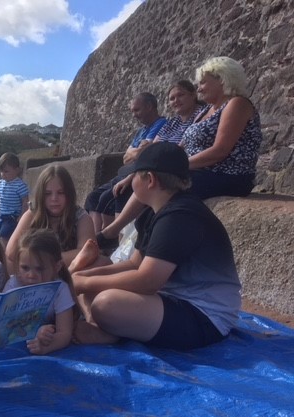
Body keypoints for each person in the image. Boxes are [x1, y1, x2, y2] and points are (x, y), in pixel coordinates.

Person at [73, 142, 241, 350]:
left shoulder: (180, 216)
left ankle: (109, 332)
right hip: (168, 297)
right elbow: (135, 263)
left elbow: (147, 281)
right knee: (92, 274)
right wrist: (83, 277)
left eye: (134, 175)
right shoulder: (153, 213)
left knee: (106, 303)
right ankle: (97, 326)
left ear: (150, 180)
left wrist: (83, 283)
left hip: (205, 315)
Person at [97, 80, 207, 248]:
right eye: (172, 98)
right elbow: (151, 152)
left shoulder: (199, 116)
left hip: (172, 169)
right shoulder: (173, 122)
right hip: (156, 167)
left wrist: (142, 161)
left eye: (181, 95)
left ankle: (117, 240)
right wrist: (131, 176)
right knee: (119, 191)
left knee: (132, 190)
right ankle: (115, 243)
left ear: (193, 95)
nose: (176, 100)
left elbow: (163, 152)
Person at [84, 92, 167, 235]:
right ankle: (94, 240)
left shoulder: (161, 124)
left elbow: (143, 153)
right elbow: (127, 156)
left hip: (137, 173)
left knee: (107, 199)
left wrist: (135, 152)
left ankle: (103, 242)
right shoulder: (141, 131)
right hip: (126, 172)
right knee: (92, 198)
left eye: (137, 110)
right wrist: (136, 152)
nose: (134, 115)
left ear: (149, 107)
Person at [181, 56, 262, 199]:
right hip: (198, 171)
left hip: (226, 175)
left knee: (162, 185)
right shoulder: (205, 111)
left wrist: (177, 165)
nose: (199, 89)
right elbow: (182, 145)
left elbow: (220, 151)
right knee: (148, 177)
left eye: (203, 83)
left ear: (222, 79)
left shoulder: (237, 104)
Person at [6, 165, 95, 274]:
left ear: (69, 193)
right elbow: (11, 252)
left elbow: (88, 251)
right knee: (6, 264)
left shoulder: (81, 217)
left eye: (60, 193)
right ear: (40, 195)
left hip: (69, 270)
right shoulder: (33, 214)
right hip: (35, 271)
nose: (54, 199)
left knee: (102, 262)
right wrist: (41, 262)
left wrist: (45, 261)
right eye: (47, 194)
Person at [4, 229, 80, 355]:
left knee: (81, 332)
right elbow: (5, 324)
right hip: (14, 345)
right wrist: (34, 331)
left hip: (43, 339)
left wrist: (47, 346)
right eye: (25, 268)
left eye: (40, 269)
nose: (31, 275)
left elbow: (65, 333)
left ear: (57, 267)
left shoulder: (60, 289)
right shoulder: (14, 285)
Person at [0, 152, 29, 244]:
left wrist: (22, 216)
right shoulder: (0, 183)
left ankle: (6, 253)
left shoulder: (20, 185)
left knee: (5, 235)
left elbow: (25, 201)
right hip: (0, 215)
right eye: (1, 171)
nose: (3, 174)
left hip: (12, 216)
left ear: (17, 170)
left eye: (6, 171)